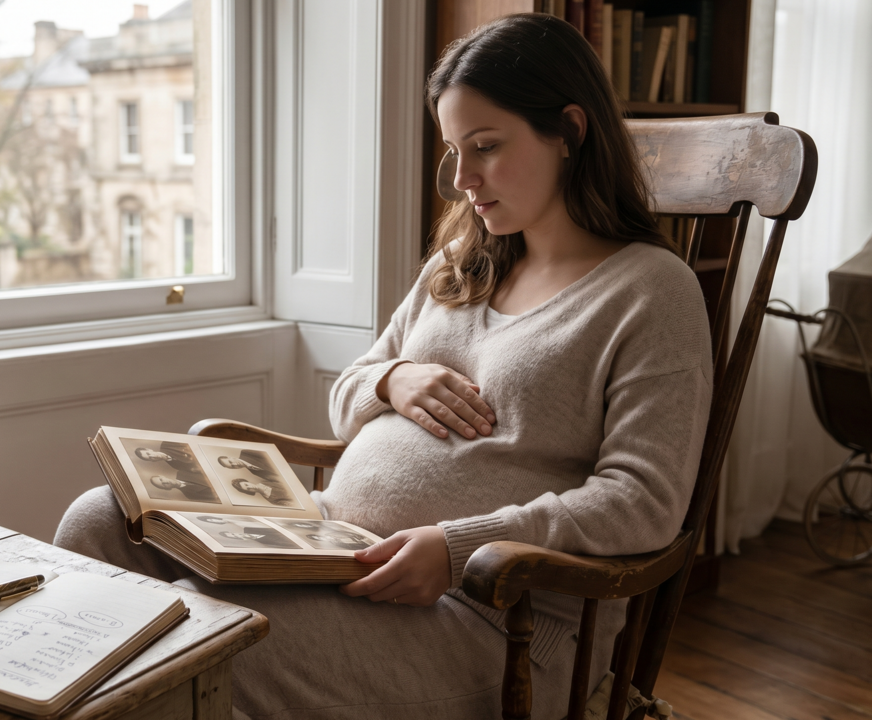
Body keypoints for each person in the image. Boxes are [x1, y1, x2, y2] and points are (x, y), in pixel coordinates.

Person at [54, 14, 712, 719]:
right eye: (454, 151)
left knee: (185, 637)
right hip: (328, 546)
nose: (462, 180)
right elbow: (347, 396)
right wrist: (391, 379)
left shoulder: (650, 291)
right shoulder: (461, 264)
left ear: (570, 133)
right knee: (98, 522)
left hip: (485, 619)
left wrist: (459, 549)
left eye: (486, 147)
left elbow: (642, 502)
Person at [149, 474, 218, 503]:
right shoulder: (190, 495)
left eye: (161, 479)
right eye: (163, 485)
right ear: (167, 489)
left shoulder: (183, 472)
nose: (165, 482)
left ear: (163, 476)